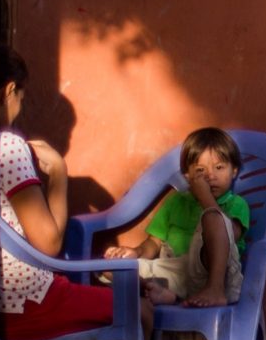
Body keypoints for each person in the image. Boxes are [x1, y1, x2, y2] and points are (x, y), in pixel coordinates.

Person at [0, 44, 171, 340]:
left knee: (100, 305)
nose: (20, 106)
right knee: (136, 310)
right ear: (8, 90)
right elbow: (47, 242)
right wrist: (61, 175)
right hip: (29, 302)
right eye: (21, 97)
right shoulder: (6, 147)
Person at [102, 127, 251, 308]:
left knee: (212, 218)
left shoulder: (236, 204)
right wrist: (136, 253)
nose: (210, 176)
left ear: (234, 171)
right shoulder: (176, 202)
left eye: (219, 167)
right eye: (200, 170)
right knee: (112, 269)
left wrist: (205, 198)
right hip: (176, 270)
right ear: (188, 176)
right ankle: (162, 293)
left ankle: (214, 290)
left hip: (216, 272)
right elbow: (154, 243)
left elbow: (228, 238)